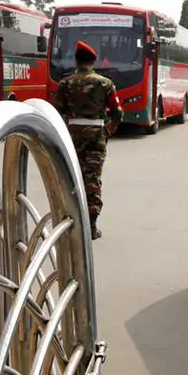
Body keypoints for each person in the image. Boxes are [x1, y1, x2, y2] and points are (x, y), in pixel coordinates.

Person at [50, 41, 123, 240]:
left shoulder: (65, 83)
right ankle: (91, 226)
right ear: (93, 61)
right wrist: (108, 131)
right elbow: (117, 112)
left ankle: (70, 222)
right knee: (92, 179)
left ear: (76, 60)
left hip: (72, 135)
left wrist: (64, 132)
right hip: (96, 136)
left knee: (70, 177)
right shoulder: (105, 83)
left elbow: (56, 112)